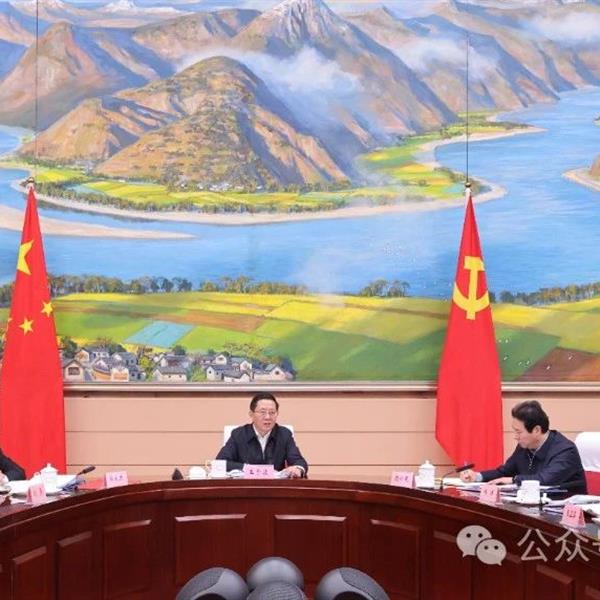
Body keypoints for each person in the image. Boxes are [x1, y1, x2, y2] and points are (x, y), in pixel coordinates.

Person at [460, 400, 587, 494]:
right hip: (532, 506)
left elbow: (546, 479)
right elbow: (504, 472)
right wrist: (477, 476)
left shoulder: (565, 450)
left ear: (536, 430)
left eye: (519, 432)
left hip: (565, 511)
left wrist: (513, 480)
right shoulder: (524, 446)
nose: (515, 437)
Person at [216, 392, 308, 478]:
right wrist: (249, 468)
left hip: (274, 487)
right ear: (251, 414)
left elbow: (299, 461)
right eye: (262, 412)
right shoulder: (239, 434)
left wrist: (298, 469)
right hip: (245, 486)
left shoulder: (284, 434)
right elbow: (220, 463)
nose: (267, 417)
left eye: (272, 412)